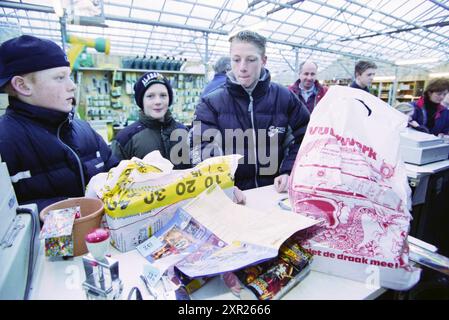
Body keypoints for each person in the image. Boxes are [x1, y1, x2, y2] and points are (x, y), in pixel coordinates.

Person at [0, 35, 118, 211]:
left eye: (69, 76)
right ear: (22, 86)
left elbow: (115, 170)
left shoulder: (83, 128)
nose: (72, 86)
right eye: (60, 78)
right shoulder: (5, 141)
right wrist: (73, 208)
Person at [191, 30, 310, 193]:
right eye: (236, 60)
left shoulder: (285, 97)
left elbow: (306, 136)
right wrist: (222, 186)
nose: (242, 68)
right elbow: (200, 147)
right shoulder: (211, 102)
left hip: (275, 193)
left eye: (251, 60)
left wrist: (289, 170)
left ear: (263, 60)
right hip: (232, 197)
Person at [111, 72, 190, 168]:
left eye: (163, 95)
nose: (158, 102)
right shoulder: (125, 139)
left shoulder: (183, 131)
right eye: (150, 96)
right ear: (141, 101)